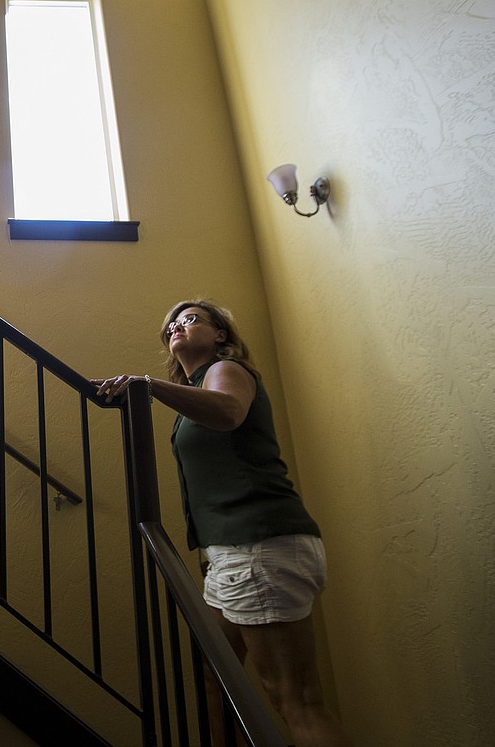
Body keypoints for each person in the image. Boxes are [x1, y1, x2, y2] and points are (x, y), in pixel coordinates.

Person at [93, 299, 352, 747]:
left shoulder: (225, 369)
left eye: (191, 319)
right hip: (234, 551)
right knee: (218, 680)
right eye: (172, 323)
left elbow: (230, 412)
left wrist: (147, 385)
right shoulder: (197, 386)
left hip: (260, 542)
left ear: (220, 335)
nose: (177, 324)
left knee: (296, 700)